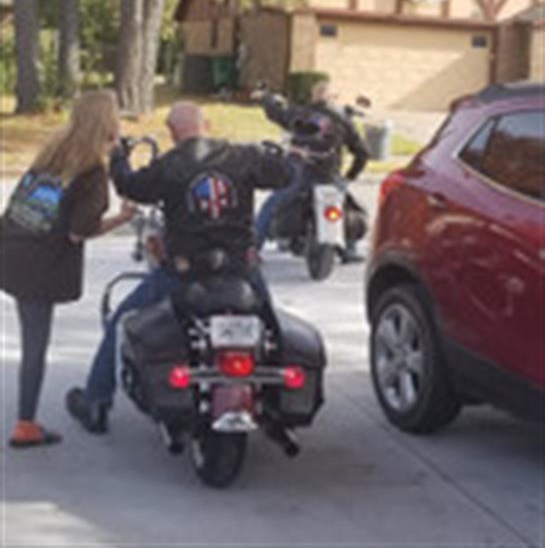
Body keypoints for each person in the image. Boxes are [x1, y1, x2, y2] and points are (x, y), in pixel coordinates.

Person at [66, 101, 296, 434]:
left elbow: (130, 186)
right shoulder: (242, 157)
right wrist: (290, 156)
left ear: (173, 135)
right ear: (208, 125)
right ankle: (277, 403)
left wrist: (118, 156)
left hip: (185, 273)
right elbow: (287, 174)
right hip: (239, 268)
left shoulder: (170, 165)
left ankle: (95, 402)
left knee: (120, 320)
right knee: (270, 323)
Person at [0, 90, 136, 448]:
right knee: (35, 346)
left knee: (32, 338)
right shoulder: (92, 172)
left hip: (12, 248)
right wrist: (121, 219)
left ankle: (26, 420)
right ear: (108, 123)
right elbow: (79, 232)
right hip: (40, 263)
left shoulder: (54, 151)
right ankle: (26, 424)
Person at [253, 81, 369, 260]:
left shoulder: (299, 113)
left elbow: (276, 112)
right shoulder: (343, 120)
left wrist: (265, 98)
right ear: (333, 98)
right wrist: (350, 176)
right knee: (348, 205)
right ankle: (348, 250)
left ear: (313, 96)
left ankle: (253, 248)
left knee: (271, 204)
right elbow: (362, 153)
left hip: (297, 173)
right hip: (328, 175)